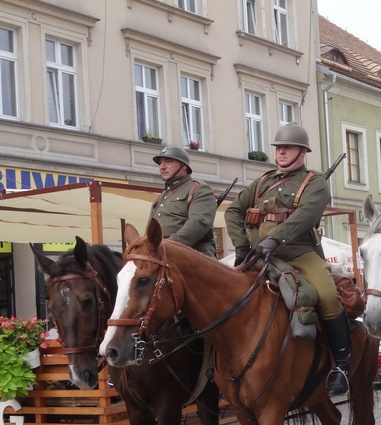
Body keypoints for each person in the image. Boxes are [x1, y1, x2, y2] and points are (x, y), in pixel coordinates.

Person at [224, 123, 352, 396]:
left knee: (328, 296)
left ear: (302, 152)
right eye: (279, 147)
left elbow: (304, 217)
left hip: (299, 254)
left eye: (288, 147)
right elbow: (233, 211)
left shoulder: (314, 183)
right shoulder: (261, 183)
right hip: (259, 256)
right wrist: (242, 246)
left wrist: (275, 239)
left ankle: (342, 366)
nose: (281, 152)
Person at [149, 146, 217, 258]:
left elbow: (198, 223)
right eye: (160, 163)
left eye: (168, 162)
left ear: (184, 166)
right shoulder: (162, 196)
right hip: (161, 255)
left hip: (193, 256)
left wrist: (167, 246)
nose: (162, 167)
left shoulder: (198, 189)